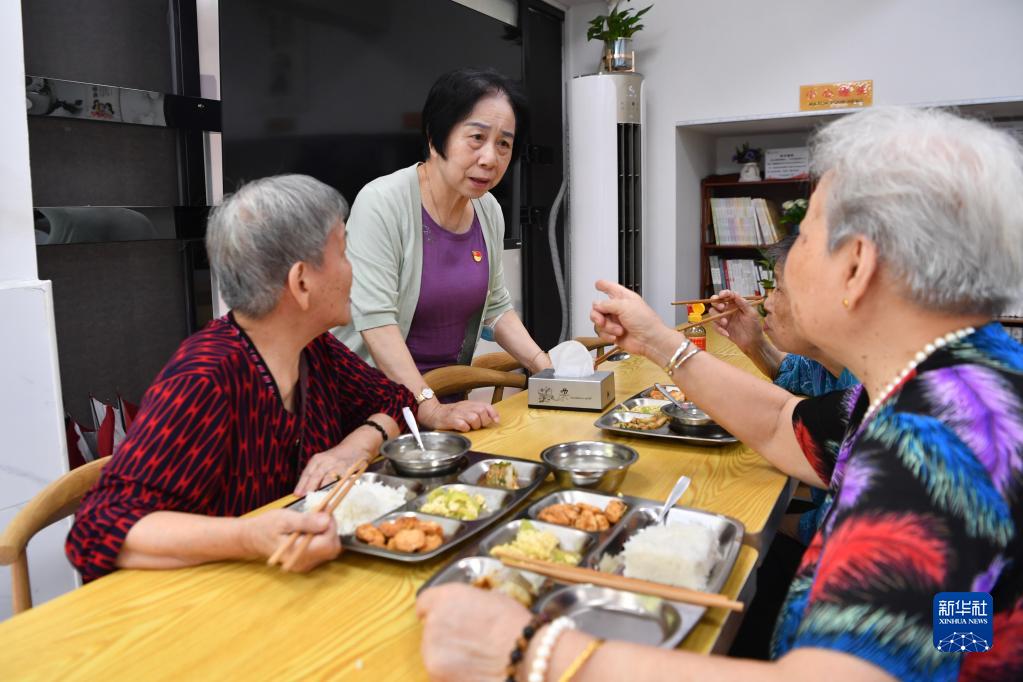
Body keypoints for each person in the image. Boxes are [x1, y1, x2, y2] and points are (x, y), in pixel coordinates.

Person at [417, 106, 1023, 681]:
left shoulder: (941, 437)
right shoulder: (957, 374)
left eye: (803, 234)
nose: (786, 258)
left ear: (857, 266)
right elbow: (784, 427)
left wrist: (530, 649)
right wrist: (660, 343)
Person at [67, 175, 416, 582]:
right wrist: (249, 536)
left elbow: (396, 401)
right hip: (204, 602)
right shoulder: (205, 378)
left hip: (287, 586)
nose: (353, 270)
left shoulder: (313, 349)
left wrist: (353, 447)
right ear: (301, 281)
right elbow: (96, 529)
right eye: (343, 253)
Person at [333, 68, 551, 433]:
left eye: (504, 144)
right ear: (436, 138)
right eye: (477, 138)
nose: (490, 158)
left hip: (445, 407)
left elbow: (496, 307)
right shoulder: (382, 201)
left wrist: (546, 367)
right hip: (373, 412)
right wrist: (430, 409)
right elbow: (377, 322)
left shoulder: (488, 209)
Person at [713, 235, 859, 544]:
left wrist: (758, 524)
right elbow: (795, 373)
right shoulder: (832, 362)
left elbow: (826, 529)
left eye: (778, 289)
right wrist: (754, 343)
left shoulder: (864, 395)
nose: (766, 303)